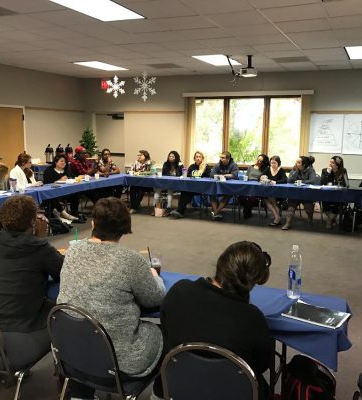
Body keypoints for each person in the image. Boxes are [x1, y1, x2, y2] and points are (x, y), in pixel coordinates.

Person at [58, 197, 165, 399]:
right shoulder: (131, 260)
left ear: (93, 223)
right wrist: (155, 277)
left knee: (85, 325)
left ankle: (80, 394)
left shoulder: (73, 251)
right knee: (166, 335)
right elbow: (155, 298)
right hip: (118, 361)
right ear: (125, 228)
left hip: (73, 352)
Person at [154, 241, 273, 400]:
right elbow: (261, 364)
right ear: (252, 282)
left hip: (175, 389)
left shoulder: (179, 291)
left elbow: (166, 332)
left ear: (221, 263)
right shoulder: (252, 318)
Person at [0, 195, 64, 370]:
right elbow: (62, 271)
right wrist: (41, 238)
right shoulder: (38, 247)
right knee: (63, 314)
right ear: (33, 220)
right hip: (15, 336)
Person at [170, 151, 211, 219]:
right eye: (196, 157)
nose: (198, 158)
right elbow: (188, 176)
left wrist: (201, 171)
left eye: (199, 157)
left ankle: (180, 211)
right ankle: (180, 212)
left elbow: (209, 177)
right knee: (184, 191)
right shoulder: (192, 166)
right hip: (192, 187)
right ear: (194, 158)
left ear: (202, 158)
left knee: (187, 192)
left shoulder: (206, 167)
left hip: (203, 188)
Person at [282, 155, 319, 230]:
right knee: (291, 207)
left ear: (304, 164)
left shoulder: (310, 170)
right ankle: (288, 223)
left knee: (308, 207)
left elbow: (313, 181)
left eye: (298, 162)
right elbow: (289, 180)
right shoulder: (295, 169)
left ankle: (310, 219)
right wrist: (295, 172)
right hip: (295, 193)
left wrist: (301, 182)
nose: (296, 164)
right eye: (296, 162)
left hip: (306, 193)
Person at [42, 155, 79, 223]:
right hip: (54, 193)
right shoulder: (49, 170)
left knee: (76, 194)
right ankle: (63, 213)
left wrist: (78, 178)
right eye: (61, 161)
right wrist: (59, 180)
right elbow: (46, 184)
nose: (64, 163)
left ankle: (74, 213)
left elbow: (74, 177)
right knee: (53, 196)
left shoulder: (66, 170)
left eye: (65, 161)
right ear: (56, 162)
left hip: (66, 192)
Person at [320, 155, 349, 229]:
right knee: (326, 207)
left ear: (338, 165)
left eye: (332, 163)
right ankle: (333, 219)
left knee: (337, 206)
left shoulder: (343, 171)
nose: (330, 164)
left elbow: (346, 184)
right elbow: (322, 182)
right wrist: (328, 173)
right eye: (330, 162)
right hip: (327, 194)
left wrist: (337, 184)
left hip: (338, 195)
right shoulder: (325, 170)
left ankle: (329, 220)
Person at [151, 151, 183, 216]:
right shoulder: (166, 164)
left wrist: (180, 166)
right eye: (169, 156)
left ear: (176, 157)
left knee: (170, 192)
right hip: (165, 183)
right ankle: (154, 208)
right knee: (157, 191)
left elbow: (181, 175)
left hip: (174, 184)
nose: (171, 157)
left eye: (173, 156)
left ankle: (168, 209)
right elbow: (164, 175)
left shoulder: (180, 164)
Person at [209, 151, 239, 220]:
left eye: (223, 158)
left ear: (228, 159)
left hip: (229, 187)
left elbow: (234, 175)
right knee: (211, 193)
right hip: (218, 186)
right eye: (220, 157)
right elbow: (211, 174)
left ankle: (215, 212)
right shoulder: (218, 164)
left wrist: (223, 176)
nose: (221, 159)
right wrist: (223, 176)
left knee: (228, 195)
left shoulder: (233, 165)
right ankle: (217, 213)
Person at [239, 154, 269, 220]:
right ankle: (247, 210)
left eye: (260, 161)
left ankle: (246, 212)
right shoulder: (250, 167)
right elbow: (246, 176)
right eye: (258, 159)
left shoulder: (265, 169)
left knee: (251, 197)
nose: (258, 161)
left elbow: (264, 179)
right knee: (240, 196)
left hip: (257, 187)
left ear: (263, 162)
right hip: (248, 185)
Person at [263, 155, 288, 226]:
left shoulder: (281, 170)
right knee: (266, 198)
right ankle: (277, 217)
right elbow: (261, 176)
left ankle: (277, 218)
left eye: (274, 163)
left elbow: (285, 180)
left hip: (278, 192)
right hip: (268, 191)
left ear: (278, 163)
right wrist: (263, 177)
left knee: (269, 197)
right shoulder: (268, 169)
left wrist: (275, 182)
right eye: (271, 163)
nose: (273, 165)